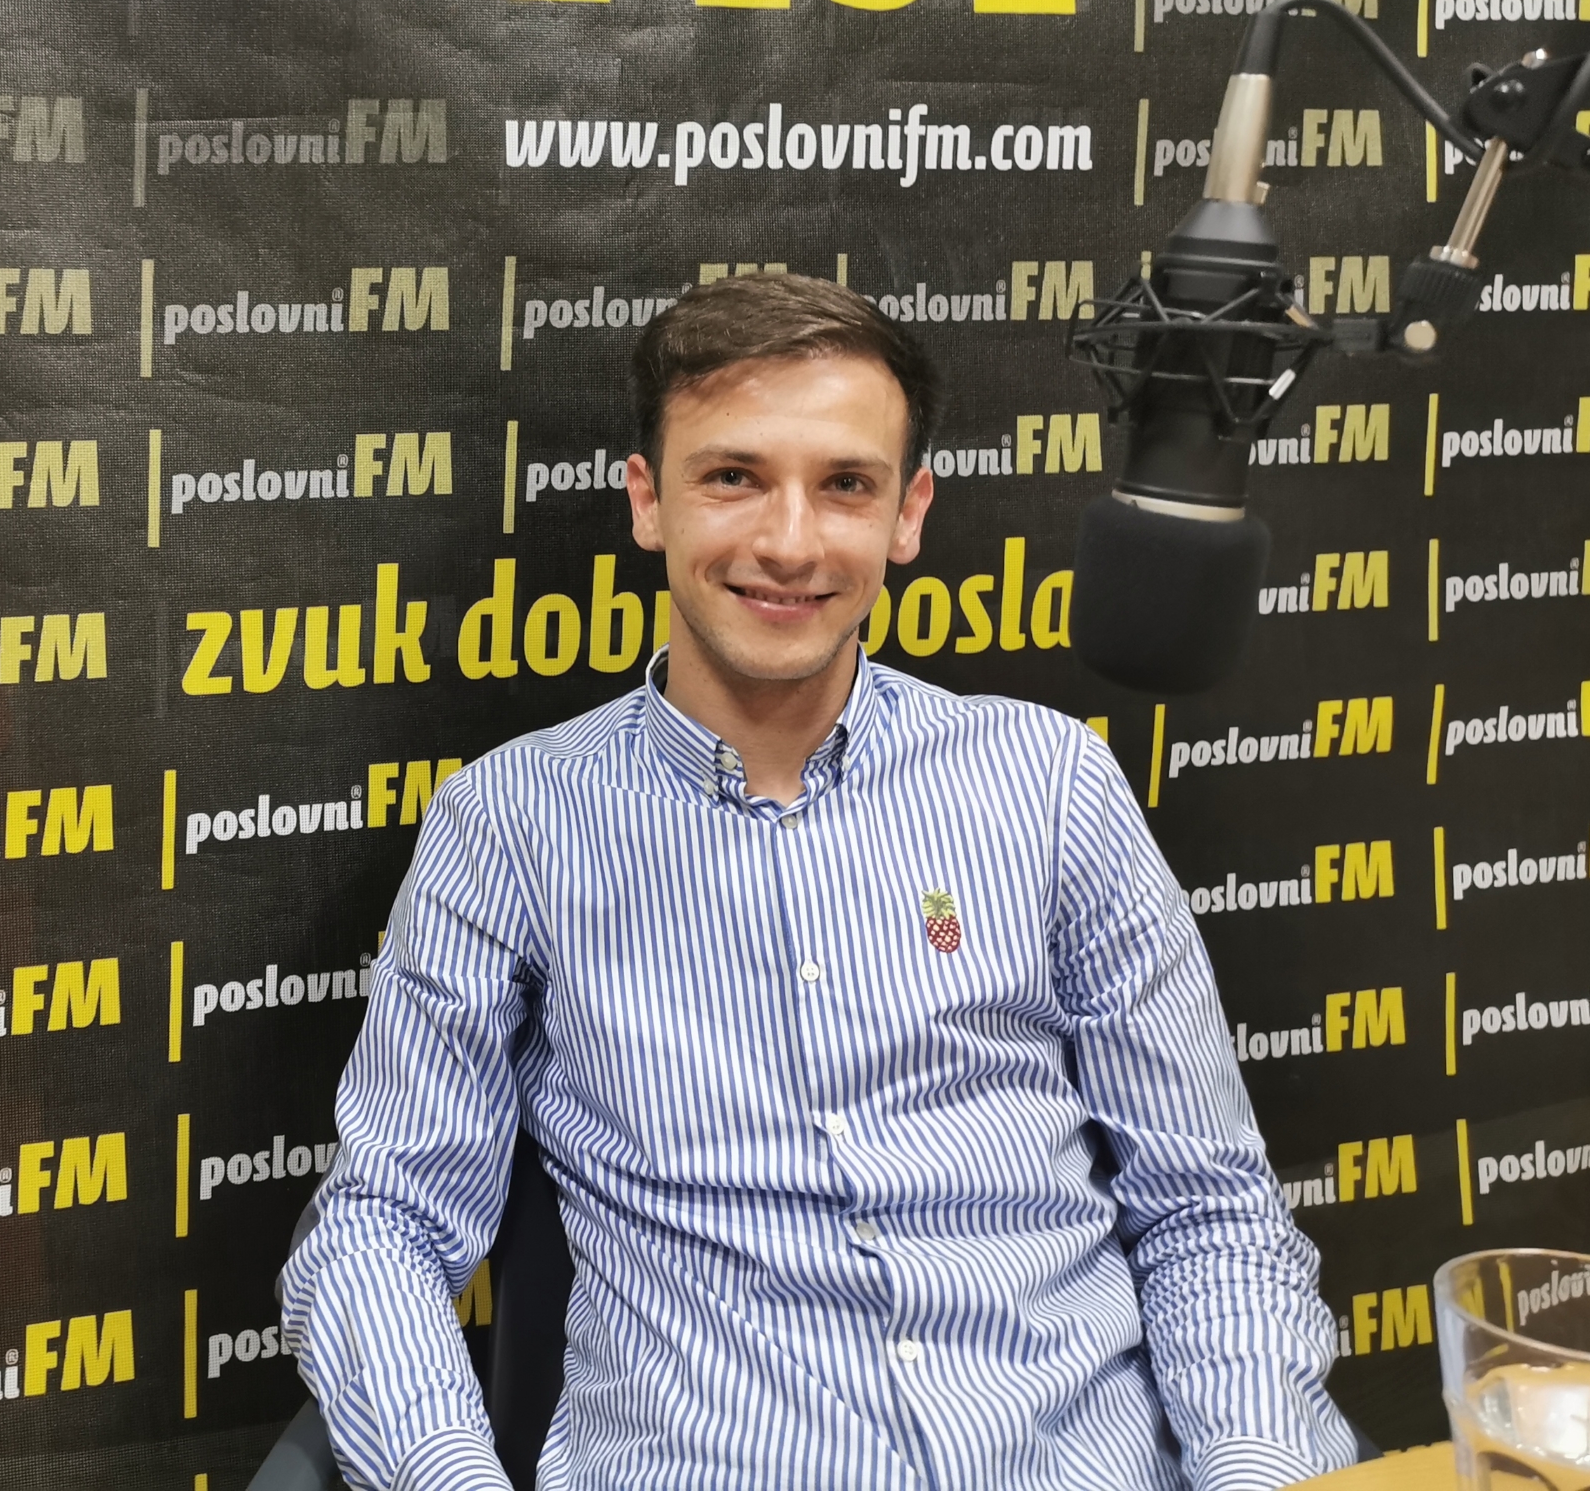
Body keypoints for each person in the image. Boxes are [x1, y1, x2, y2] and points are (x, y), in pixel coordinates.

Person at [278, 275, 1359, 1491]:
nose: (790, 543)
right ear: (648, 501)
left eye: (845, 484)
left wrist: (1256, 1467)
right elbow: (383, 1224)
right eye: (732, 476)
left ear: (907, 514)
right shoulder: (511, 824)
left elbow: (1207, 1208)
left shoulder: (1050, 782)